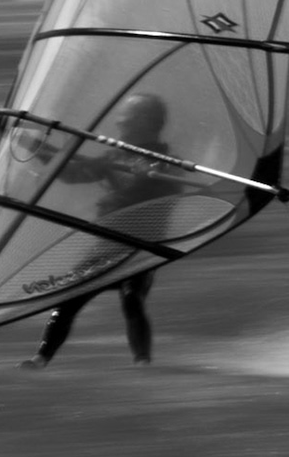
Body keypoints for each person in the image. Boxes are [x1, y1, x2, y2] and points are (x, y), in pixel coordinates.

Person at [18, 92, 194, 369]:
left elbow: (172, 186)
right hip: (106, 245)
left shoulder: (168, 163)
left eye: (127, 117)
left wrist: (147, 171)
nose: (119, 122)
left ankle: (142, 364)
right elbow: (73, 171)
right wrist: (32, 145)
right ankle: (40, 359)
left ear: (147, 122)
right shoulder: (114, 157)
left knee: (131, 298)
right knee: (68, 299)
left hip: (140, 247)